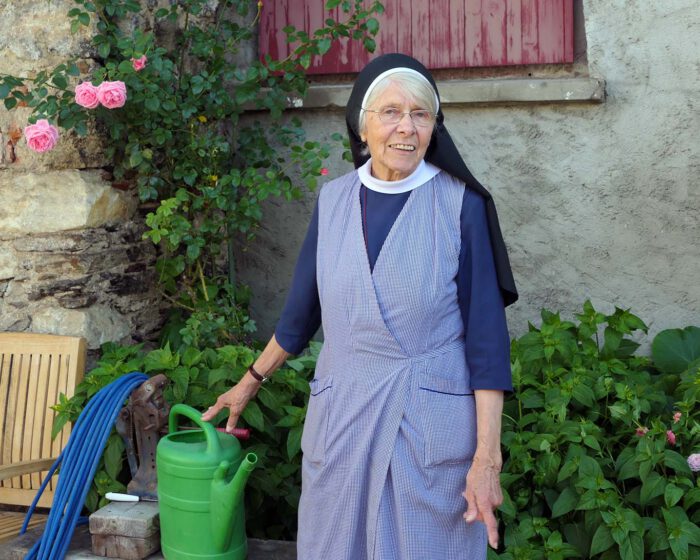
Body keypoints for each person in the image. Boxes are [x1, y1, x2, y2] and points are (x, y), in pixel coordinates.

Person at [202, 53, 518, 559]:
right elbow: (300, 316)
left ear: (435, 128)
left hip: (425, 420)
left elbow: (486, 340)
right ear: (361, 125)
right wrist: (249, 383)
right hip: (342, 417)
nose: (407, 128)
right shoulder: (334, 201)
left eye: (421, 114)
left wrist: (486, 459)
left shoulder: (462, 205)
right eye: (391, 112)